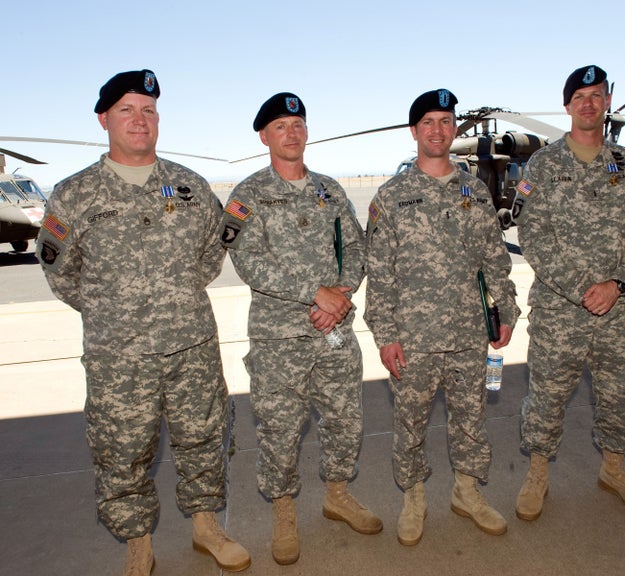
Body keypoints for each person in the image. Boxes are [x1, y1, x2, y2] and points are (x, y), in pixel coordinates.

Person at [36, 69, 250, 575]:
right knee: (122, 449)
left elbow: (209, 256)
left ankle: (205, 526)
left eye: (149, 110)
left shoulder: (191, 187)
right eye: (128, 110)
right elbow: (60, 272)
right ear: (104, 119)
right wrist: (112, 313)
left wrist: (171, 300)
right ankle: (138, 541)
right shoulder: (74, 194)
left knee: (202, 437)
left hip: (190, 344)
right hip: (119, 356)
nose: (140, 120)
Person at [220, 92, 382, 565]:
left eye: (298, 124)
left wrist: (342, 293)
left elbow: (355, 247)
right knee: (279, 430)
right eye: (280, 127)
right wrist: (316, 291)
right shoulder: (246, 195)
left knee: (345, 420)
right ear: (264, 136)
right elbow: (247, 262)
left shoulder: (330, 189)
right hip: (279, 340)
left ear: (306, 132)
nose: (291, 133)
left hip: (334, 332)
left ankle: (337, 494)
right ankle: (284, 510)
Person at [364, 89, 520, 546]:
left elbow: (495, 259)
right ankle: (414, 497)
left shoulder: (474, 190)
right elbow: (379, 272)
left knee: (471, 417)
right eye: (428, 122)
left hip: (470, 331)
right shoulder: (391, 197)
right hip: (413, 339)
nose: (437, 130)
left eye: (446, 122)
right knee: (410, 423)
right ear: (415, 131)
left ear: (455, 129)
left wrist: (505, 310)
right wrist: (386, 335)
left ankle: (467, 491)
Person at [513, 65, 625, 521]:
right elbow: (533, 235)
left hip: (617, 310)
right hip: (560, 311)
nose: (588, 103)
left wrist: (616, 285)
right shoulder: (543, 165)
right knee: (547, 396)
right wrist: (583, 290)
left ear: (607, 101)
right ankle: (537, 473)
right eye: (580, 96)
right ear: (567, 106)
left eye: (596, 95)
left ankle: (614, 469)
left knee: (618, 394)